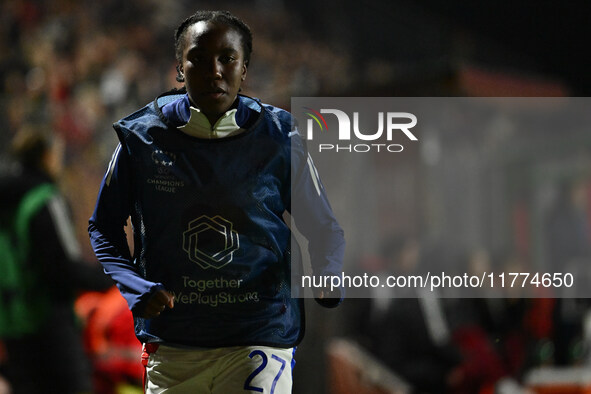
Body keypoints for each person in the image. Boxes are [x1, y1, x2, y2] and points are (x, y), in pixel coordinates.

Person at [88, 10, 345, 394]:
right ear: (180, 67)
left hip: (259, 333)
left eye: (227, 58)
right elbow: (103, 228)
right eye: (199, 58)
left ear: (245, 69)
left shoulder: (280, 136)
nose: (214, 71)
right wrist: (135, 287)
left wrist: (328, 272)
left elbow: (322, 227)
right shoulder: (140, 140)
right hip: (173, 345)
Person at [0, 126, 114, 394]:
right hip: (50, 319)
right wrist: (111, 276)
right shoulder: (45, 199)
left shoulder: (5, 198)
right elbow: (63, 268)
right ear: (47, 156)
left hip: (12, 325)